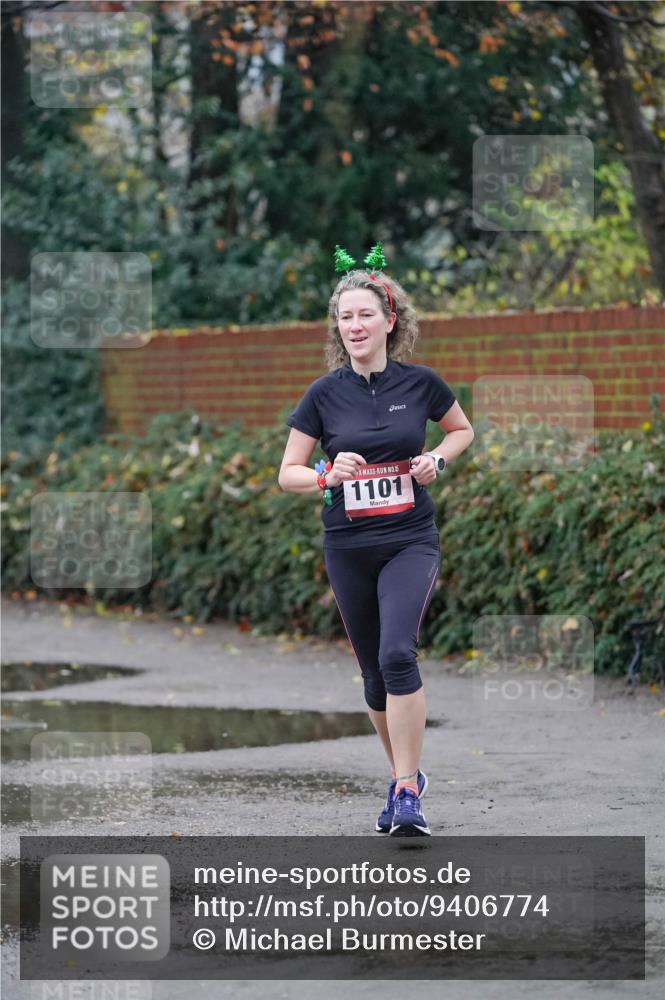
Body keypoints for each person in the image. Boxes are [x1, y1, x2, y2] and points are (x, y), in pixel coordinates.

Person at [278, 246, 475, 836]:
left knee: (397, 655)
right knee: (372, 674)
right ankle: (401, 779)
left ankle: (408, 792)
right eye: (345, 317)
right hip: (348, 545)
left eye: (365, 314)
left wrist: (437, 460)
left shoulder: (421, 383)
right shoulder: (323, 394)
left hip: (410, 538)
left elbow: (462, 430)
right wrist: (325, 475)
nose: (355, 326)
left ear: (390, 320)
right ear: (337, 328)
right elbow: (287, 473)